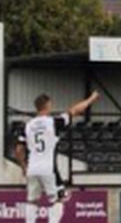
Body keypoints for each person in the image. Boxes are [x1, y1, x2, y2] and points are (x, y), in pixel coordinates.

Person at [15, 91, 100, 223]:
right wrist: (91, 99)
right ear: (48, 105)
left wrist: (23, 166)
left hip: (32, 168)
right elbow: (74, 110)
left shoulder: (27, 126)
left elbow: (19, 149)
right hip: (48, 168)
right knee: (58, 199)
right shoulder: (53, 122)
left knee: (32, 200)